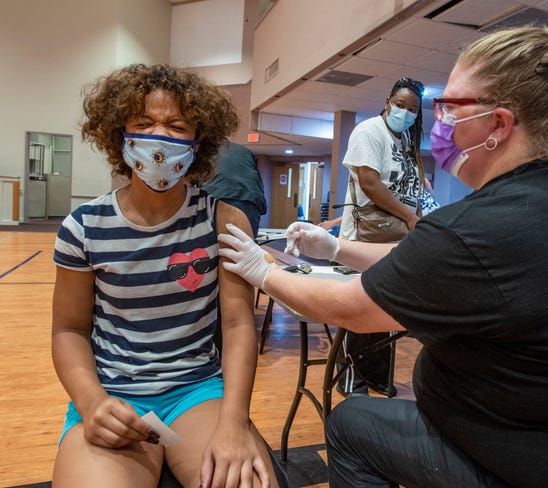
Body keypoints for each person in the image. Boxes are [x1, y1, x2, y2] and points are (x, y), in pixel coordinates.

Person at [218, 11, 548, 488]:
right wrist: (335, 247)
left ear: (498, 123)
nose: (439, 122)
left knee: (351, 425)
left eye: (450, 107)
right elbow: (428, 261)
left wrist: (264, 271)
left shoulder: (488, 224)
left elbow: (353, 309)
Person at [51, 64, 283, 488]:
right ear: (118, 134)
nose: (159, 136)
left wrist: (235, 421)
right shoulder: (82, 226)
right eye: (143, 123)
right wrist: (92, 402)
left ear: (199, 142)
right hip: (113, 392)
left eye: (176, 125)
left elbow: (236, 326)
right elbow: (68, 331)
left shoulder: (224, 221)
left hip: (196, 392)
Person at [335, 76, 425, 397]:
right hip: (366, 236)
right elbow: (370, 184)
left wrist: (419, 219)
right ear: (388, 102)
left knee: (385, 309)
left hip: (396, 238)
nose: (405, 112)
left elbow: (412, 191)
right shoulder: (369, 131)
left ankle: (376, 374)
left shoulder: (405, 141)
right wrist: (409, 217)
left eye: (413, 109)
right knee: (360, 305)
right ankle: (350, 377)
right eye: (400, 105)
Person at [203, 141, 267, 238]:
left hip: (218, 194)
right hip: (250, 199)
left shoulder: (206, 150)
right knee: (245, 246)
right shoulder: (244, 151)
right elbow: (256, 178)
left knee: (211, 244)